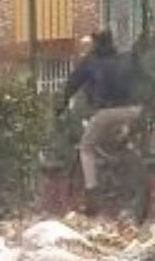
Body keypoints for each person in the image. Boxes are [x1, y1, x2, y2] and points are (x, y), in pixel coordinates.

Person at [57, 29, 142, 214]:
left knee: (86, 147)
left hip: (107, 112)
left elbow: (72, 84)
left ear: (95, 43)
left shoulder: (90, 61)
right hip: (135, 110)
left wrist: (60, 106)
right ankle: (124, 169)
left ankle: (91, 193)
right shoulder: (124, 59)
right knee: (118, 141)